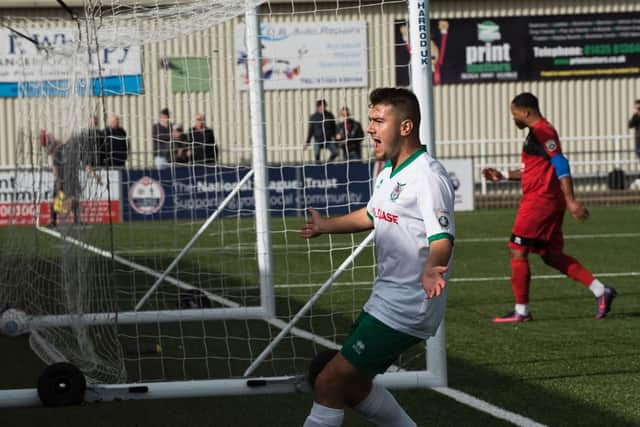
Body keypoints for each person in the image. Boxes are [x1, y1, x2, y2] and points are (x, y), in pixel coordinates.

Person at [300, 87, 455, 427]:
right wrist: (326, 225)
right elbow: (372, 214)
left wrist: (432, 268)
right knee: (353, 386)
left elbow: (442, 237)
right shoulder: (387, 171)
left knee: (328, 381)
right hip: (386, 298)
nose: (369, 128)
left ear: (405, 127)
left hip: (408, 304)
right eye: (370, 120)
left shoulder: (427, 176)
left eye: (378, 120)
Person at [482, 92, 616, 323]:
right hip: (545, 200)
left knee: (517, 248)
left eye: (514, 114)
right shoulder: (536, 133)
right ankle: (600, 290)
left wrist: (572, 200)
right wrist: (502, 175)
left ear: (525, 113)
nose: (513, 118)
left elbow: (560, 162)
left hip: (540, 201)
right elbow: (533, 171)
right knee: (550, 255)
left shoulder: (544, 131)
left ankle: (521, 311)